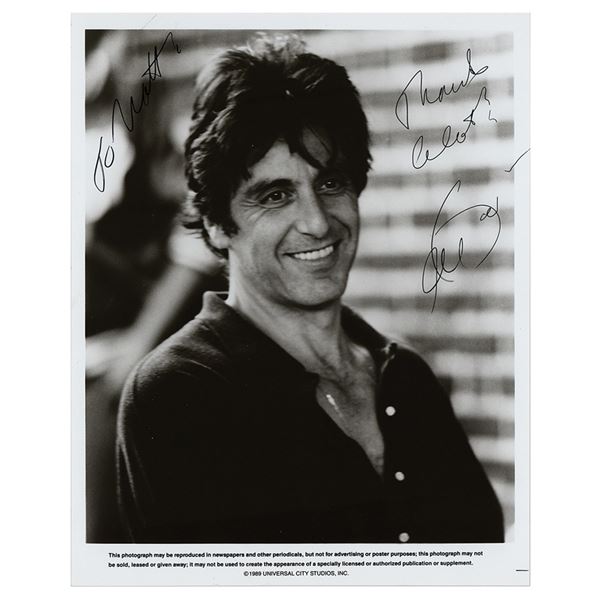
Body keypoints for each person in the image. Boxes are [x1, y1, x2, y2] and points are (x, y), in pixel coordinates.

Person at [116, 34, 504, 544]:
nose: (318, 223)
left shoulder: (406, 378)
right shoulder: (180, 392)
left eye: (331, 183)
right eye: (275, 196)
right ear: (216, 224)